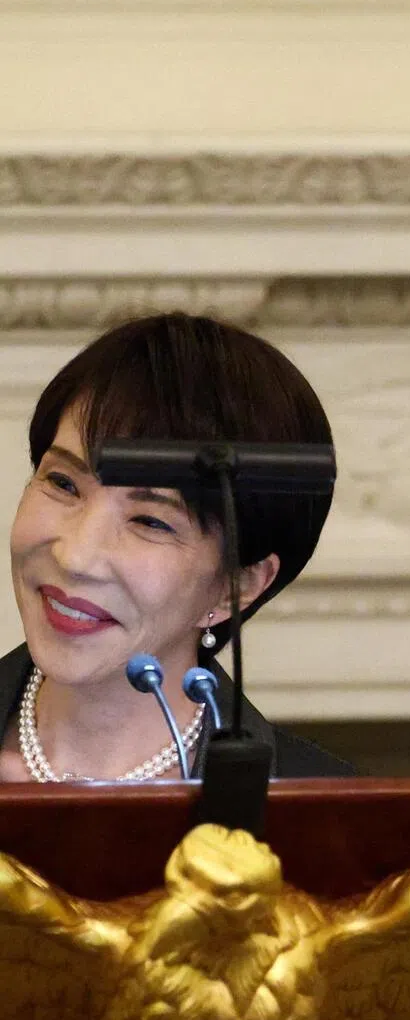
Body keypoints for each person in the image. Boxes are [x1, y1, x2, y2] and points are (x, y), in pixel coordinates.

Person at [0, 312, 353, 782]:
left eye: (150, 520)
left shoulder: (325, 826)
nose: (75, 556)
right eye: (63, 483)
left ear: (237, 586)